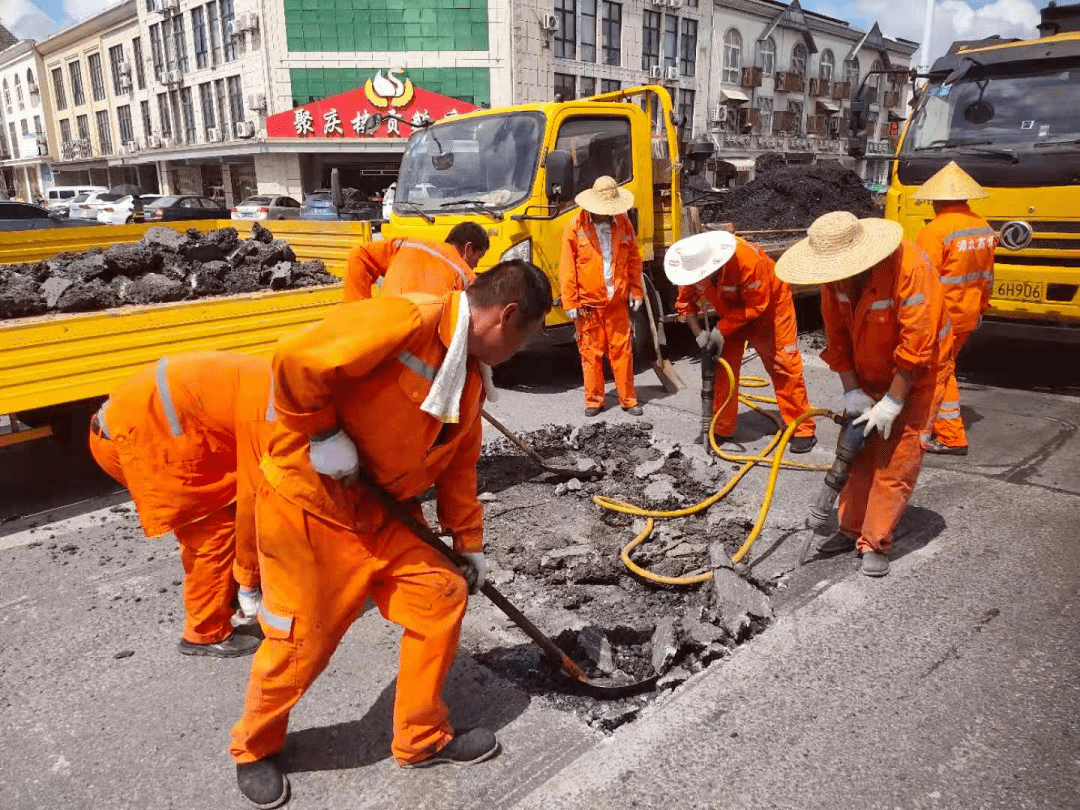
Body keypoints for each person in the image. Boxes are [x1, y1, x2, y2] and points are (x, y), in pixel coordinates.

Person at [229, 260, 552, 809]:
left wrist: (467, 543)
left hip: (386, 512)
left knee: (440, 594)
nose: (519, 353)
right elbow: (295, 360)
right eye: (523, 340)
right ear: (507, 315)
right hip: (313, 507)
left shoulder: (469, 377)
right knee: (300, 641)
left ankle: (420, 736)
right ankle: (253, 747)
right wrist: (325, 434)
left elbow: (458, 465)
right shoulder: (408, 320)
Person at [775, 212, 953, 578]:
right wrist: (852, 390)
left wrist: (893, 400)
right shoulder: (834, 281)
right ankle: (850, 528)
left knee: (894, 461)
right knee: (857, 455)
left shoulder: (909, 268)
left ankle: (874, 540)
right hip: (866, 372)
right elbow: (837, 340)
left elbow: (918, 345)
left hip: (917, 375)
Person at [88, 352, 277, 656]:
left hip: (143, 428)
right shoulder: (273, 414)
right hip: (141, 441)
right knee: (216, 533)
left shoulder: (281, 378)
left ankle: (225, 597)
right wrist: (249, 581)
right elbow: (252, 503)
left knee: (227, 512)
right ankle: (205, 632)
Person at [665, 230, 817, 453]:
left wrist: (721, 329)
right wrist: (699, 334)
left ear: (715, 264)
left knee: (783, 365)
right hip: (732, 313)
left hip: (770, 310)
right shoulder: (691, 268)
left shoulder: (747, 260)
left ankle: (802, 428)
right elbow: (685, 305)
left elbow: (758, 305)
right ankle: (722, 428)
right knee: (722, 368)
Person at [914, 161, 996, 456]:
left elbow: (920, 281)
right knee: (944, 369)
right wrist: (982, 307)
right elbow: (987, 275)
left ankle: (950, 436)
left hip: (942, 317)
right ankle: (937, 426)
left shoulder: (935, 231)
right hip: (969, 313)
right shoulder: (983, 228)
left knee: (939, 372)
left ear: (938, 200)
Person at [558, 175, 645, 417]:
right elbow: (567, 268)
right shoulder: (575, 227)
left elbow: (634, 260)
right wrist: (571, 300)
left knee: (622, 351)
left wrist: (636, 290)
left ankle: (628, 399)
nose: (607, 214)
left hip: (616, 302)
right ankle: (594, 400)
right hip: (588, 305)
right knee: (590, 353)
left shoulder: (623, 223)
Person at [343, 221, 489, 302]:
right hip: (417, 352)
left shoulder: (406, 245)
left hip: (379, 339)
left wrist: (356, 314)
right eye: (479, 257)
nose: (476, 264)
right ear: (468, 249)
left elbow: (358, 255)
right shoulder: (467, 278)